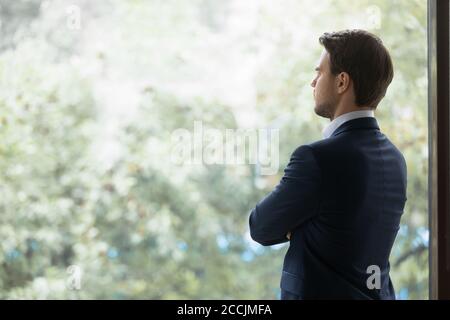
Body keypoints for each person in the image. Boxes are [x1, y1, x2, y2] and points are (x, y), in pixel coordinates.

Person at [249, 29, 407, 300]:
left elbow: (261, 226)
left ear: (342, 81)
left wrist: (298, 224)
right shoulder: (396, 159)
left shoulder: (317, 159)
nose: (313, 82)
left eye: (319, 72)